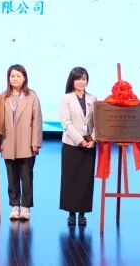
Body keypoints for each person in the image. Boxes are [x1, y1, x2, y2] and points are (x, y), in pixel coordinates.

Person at [0, 64, 43, 221]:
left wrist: (36, 142)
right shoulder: (2, 96)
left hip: (27, 142)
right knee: (11, 176)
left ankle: (25, 207)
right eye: (12, 76)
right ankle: (14, 206)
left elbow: (37, 121)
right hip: (7, 141)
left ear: (24, 78)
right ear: (8, 78)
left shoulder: (32, 96)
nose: (15, 79)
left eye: (18, 76)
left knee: (26, 176)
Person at [59, 66, 96, 226]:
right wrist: (80, 141)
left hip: (90, 144)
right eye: (78, 79)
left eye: (84, 79)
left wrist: (93, 139)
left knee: (85, 180)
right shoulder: (66, 98)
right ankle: (71, 213)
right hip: (72, 144)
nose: (81, 82)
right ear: (72, 81)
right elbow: (66, 124)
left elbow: (97, 122)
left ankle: (82, 214)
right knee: (71, 179)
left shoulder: (93, 98)